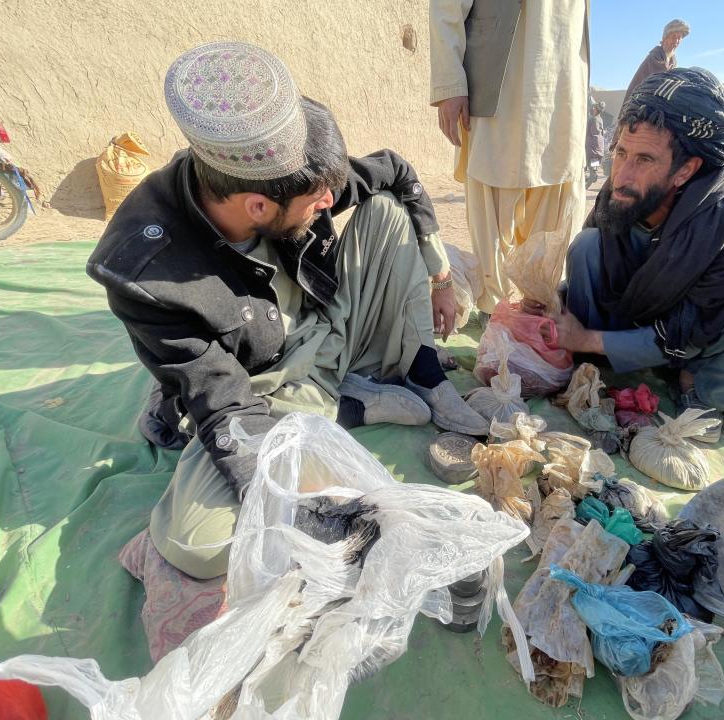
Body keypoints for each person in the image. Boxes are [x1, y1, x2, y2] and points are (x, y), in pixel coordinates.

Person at [86, 41, 490, 580]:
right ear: (257, 206)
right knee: (195, 546)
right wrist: (286, 503)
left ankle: (419, 372)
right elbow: (223, 403)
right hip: (258, 386)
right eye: (317, 200)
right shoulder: (144, 274)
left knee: (389, 213)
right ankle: (343, 408)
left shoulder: (296, 179)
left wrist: (439, 276)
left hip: (329, 325)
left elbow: (396, 171)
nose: (330, 202)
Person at [526, 67, 724, 443]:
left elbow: (693, 327)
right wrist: (554, 303)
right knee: (587, 244)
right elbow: (595, 270)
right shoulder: (623, 194)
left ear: (685, 170)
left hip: (707, 338)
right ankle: (597, 358)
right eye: (620, 152)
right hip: (642, 321)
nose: (622, 174)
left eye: (644, 159)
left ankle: (698, 392)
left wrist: (584, 337)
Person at [429, 0, 588, 322]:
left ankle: (540, 306)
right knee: (493, 178)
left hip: (564, 86)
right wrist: (450, 84)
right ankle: (493, 308)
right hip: (499, 81)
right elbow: (446, 7)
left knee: (559, 189)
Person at [620, 19, 690, 113]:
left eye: (679, 38)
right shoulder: (655, 57)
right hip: (635, 107)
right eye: (673, 37)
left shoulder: (673, 61)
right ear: (665, 38)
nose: (676, 41)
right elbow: (662, 82)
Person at [586, 100, 606, 186]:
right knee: (593, 166)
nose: (593, 108)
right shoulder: (600, 119)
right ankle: (593, 175)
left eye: (594, 107)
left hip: (592, 146)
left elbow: (589, 132)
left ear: (597, 110)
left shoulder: (593, 119)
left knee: (591, 166)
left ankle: (591, 178)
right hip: (598, 146)